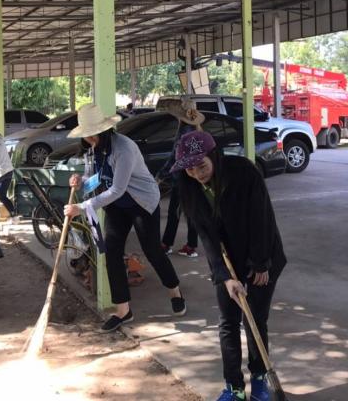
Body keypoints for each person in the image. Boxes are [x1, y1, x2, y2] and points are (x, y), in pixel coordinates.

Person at [173, 131, 287, 401]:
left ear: (214, 156)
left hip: (262, 255)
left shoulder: (243, 172)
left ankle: (259, 378)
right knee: (228, 321)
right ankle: (234, 387)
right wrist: (224, 277)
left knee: (255, 319)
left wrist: (260, 263)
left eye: (202, 166)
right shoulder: (189, 188)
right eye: (190, 169)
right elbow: (206, 236)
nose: (197, 174)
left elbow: (262, 219)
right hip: (227, 259)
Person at [63, 103, 186, 332]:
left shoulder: (124, 148)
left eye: (92, 134)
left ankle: (175, 291)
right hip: (117, 205)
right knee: (112, 252)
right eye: (87, 134)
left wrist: (82, 207)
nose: (89, 138)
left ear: (104, 130)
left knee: (152, 250)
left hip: (142, 202)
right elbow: (96, 178)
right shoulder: (93, 148)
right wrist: (80, 181)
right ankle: (123, 310)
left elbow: (117, 189)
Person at [156, 98, 203, 258]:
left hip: (182, 178)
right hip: (194, 177)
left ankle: (167, 244)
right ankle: (191, 246)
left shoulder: (184, 133)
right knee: (190, 212)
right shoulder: (197, 131)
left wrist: (160, 176)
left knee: (174, 212)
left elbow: (174, 159)